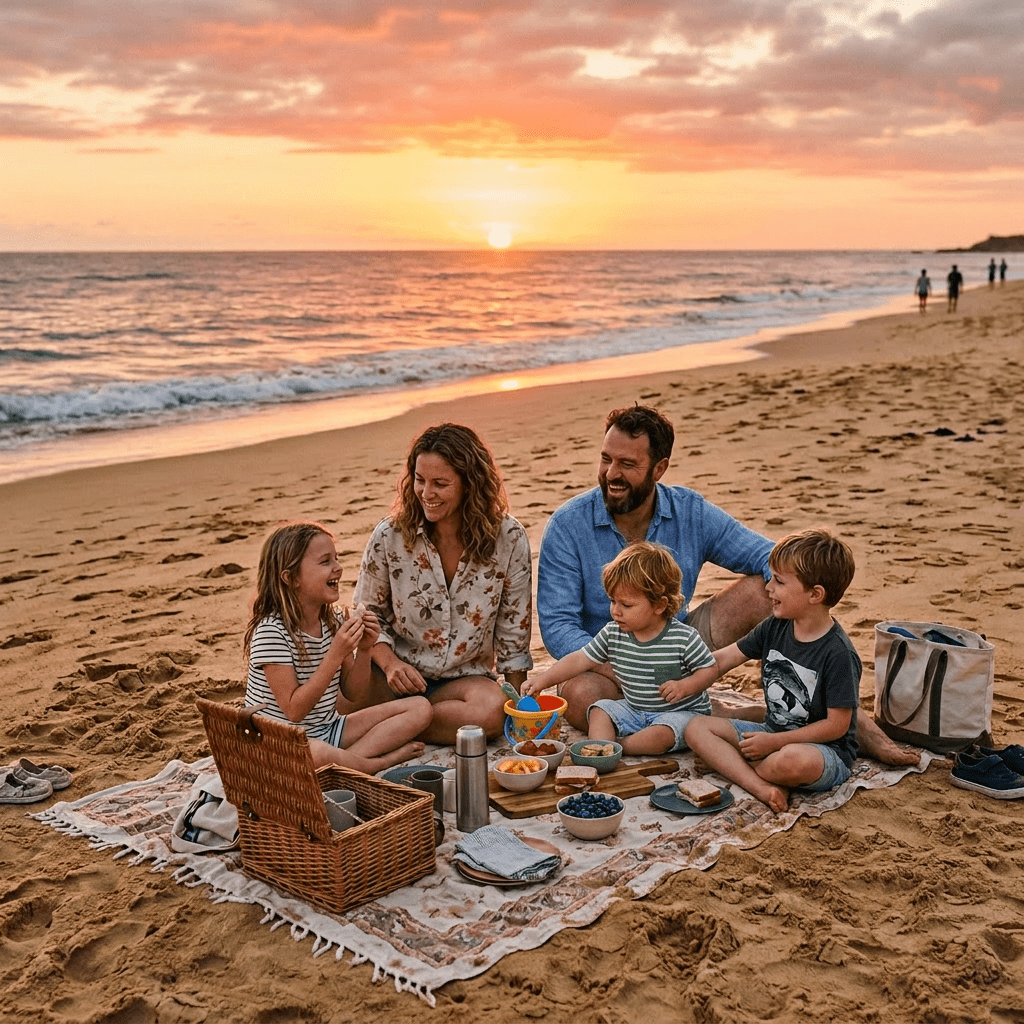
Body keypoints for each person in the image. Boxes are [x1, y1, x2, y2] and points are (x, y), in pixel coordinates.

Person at [537, 403, 919, 766]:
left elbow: (770, 560)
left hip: (679, 642)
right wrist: (613, 663)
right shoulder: (569, 525)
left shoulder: (689, 511)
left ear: (659, 468)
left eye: (627, 464)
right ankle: (724, 714)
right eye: (606, 459)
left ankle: (851, 720)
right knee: (582, 697)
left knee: (769, 591)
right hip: (605, 659)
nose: (610, 473)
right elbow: (557, 627)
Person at [354, 423, 533, 744]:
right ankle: (406, 722)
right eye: (419, 480)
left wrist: (521, 711)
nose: (425, 493)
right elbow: (367, 615)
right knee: (342, 698)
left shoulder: (509, 537)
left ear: (470, 484)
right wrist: (392, 664)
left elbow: (513, 634)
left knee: (492, 713)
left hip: (464, 681)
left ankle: (390, 725)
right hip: (395, 677)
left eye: (440, 484)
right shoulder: (389, 535)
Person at [684, 529, 861, 813]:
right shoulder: (775, 626)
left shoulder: (839, 653)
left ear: (815, 594)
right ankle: (763, 785)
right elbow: (723, 659)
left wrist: (774, 742)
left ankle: (736, 766)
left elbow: (836, 726)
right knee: (695, 728)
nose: (768, 589)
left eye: (779, 582)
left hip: (821, 751)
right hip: (770, 732)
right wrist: (683, 676)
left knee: (791, 761)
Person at [244, 521, 432, 772]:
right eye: (325, 562)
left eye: (336, 558)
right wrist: (336, 654)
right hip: (282, 744)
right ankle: (375, 763)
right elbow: (294, 711)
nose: (338, 568)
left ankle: (341, 764)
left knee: (420, 708)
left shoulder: (331, 621)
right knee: (317, 752)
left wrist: (364, 649)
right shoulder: (271, 632)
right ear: (291, 578)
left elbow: (353, 694)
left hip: (328, 730)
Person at [522, 542, 719, 755]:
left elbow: (709, 670)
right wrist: (543, 679)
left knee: (662, 735)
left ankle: (617, 749)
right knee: (599, 710)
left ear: (660, 605)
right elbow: (580, 659)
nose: (615, 611)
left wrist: (686, 686)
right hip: (635, 710)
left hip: (680, 713)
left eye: (626, 605)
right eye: (612, 601)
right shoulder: (613, 633)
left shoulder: (683, 638)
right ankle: (598, 752)